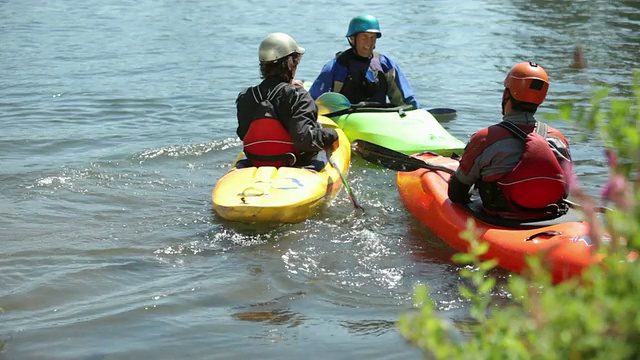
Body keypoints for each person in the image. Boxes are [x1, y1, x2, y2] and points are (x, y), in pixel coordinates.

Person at [448, 62, 572, 221]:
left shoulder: (485, 138)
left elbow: (456, 194)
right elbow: (566, 190)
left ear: (506, 94)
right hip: (548, 216)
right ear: (541, 99)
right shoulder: (558, 138)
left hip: (501, 219)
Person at [236, 32, 339, 170]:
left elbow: (244, 134)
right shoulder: (298, 96)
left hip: (257, 162)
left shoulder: (245, 97)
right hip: (292, 164)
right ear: (290, 65)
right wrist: (332, 134)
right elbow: (304, 140)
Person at [308, 15, 421, 109]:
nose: (369, 43)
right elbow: (315, 100)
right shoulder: (338, 65)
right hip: (346, 119)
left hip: (381, 118)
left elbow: (406, 99)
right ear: (352, 38)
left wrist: (419, 114)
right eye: (365, 37)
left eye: (373, 37)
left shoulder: (386, 64)